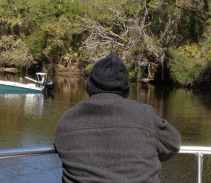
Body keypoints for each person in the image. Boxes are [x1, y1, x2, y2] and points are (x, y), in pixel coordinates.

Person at [54, 52, 181, 183]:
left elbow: (61, 149)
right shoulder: (145, 114)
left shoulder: (68, 119)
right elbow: (173, 144)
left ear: (89, 87)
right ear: (126, 89)